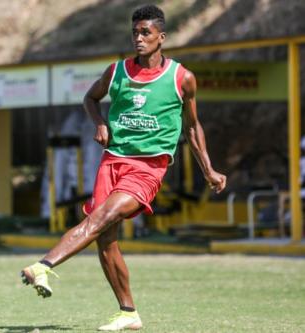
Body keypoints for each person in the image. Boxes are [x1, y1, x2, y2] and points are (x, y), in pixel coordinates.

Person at [21, 4, 227, 331]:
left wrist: (209, 170)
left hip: (148, 167)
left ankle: (44, 265)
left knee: (100, 218)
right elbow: (90, 99)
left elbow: (191, 127)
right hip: (112, 161)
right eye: (135, 33)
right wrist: (99, 123)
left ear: (162, 37)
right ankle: (129, 312)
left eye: (146, 33)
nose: (139, 38)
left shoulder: (182, 78)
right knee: (106, 239)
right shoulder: (116, 72)